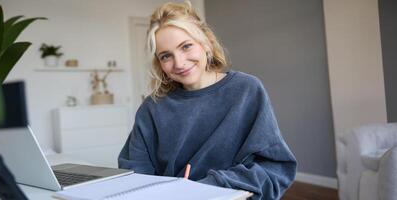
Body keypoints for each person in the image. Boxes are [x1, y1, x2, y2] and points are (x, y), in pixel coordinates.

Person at [118, 1, 297, 199]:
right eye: (166, 56)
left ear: (206, 43)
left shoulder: (246, 90)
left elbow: (275, 167)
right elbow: (133, 171)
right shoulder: (152, 108)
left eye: (186, 46)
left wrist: (210, 187)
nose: (179, 62)